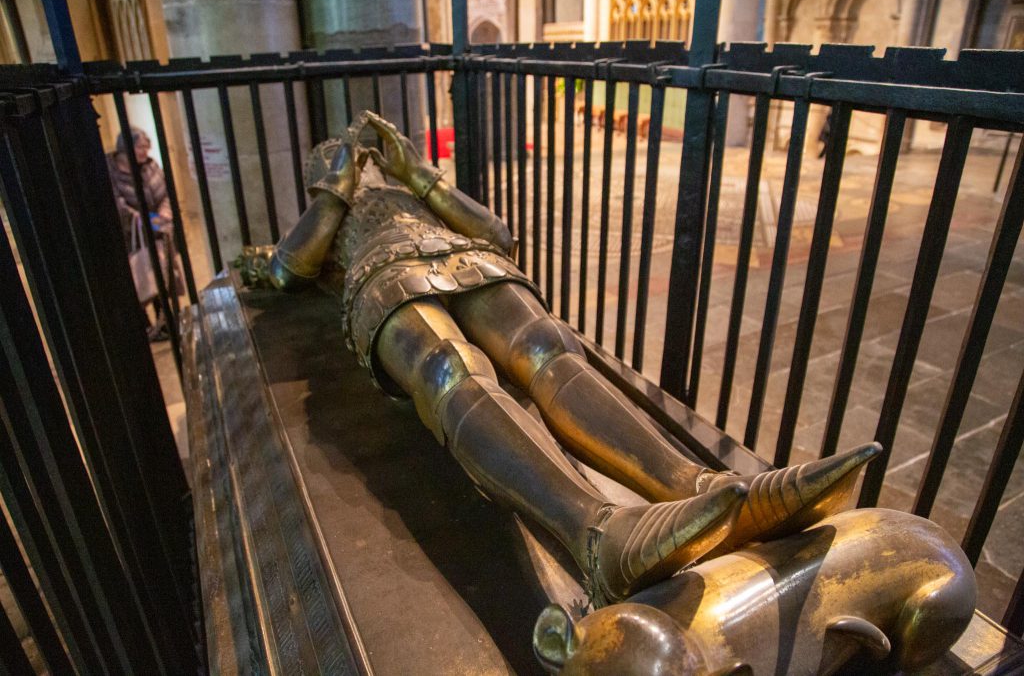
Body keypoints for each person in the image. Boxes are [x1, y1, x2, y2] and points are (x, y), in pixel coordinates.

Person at [241, 111, 879, 607]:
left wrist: (418, 175)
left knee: (550, 348)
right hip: (384, 282)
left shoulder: (413, 193)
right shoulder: (325, 219)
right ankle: (597, 535)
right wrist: (335, 189)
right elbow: (284, 268)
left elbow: (495, 234)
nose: (364, 163)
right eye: (345, 162)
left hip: (467, 258)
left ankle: (708, 489)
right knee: (449, 369)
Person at [107, 126, 180, 341]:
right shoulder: (112, 171)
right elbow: (117, 203)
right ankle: (143, 326)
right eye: (140, 147)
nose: (145, 152)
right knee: (138, 278)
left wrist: (164, 213)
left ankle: (165, 322)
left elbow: (166, 192)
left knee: (161, 275)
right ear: (125, 147)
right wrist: (140, 219)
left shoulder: (150, 166)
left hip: (157, 232)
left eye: (146, 147)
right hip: (130, 237)